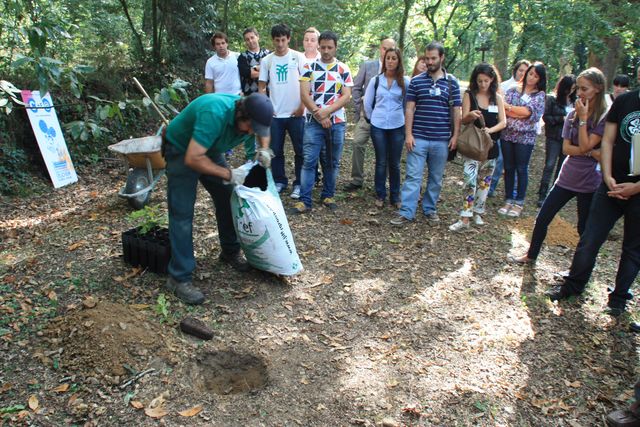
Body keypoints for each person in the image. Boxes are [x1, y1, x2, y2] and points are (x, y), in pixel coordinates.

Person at [163, 93, 274, 305]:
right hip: (182, 149)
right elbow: (193, 158)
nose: (252, 133)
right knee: (182, 213)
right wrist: (230, 174)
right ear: (241, 115)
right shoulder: (214, 113)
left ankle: (230, 252)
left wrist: (263, 148)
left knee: (229, 198)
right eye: (251, 128)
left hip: (210, 149)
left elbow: (262, 131)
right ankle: (179, 278)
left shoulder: (252, 117)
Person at [546, 69, 640, 316]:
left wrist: (636, 187)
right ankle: (573, 286)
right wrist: (608, 177)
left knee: (632, 249)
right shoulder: (625, 101)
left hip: (638, 191)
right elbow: (608, 141)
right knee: (589, 238)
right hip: (610, 184)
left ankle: (618, 300)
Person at [510, 68, 608, 264]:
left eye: (584, 89)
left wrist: (583, 124)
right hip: (567, 177)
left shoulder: (604, 118)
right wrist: (591, 151)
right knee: (543, 217)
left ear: (598, 89)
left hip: (590, 181)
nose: (579, 93)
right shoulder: (572, 114)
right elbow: (568, 149)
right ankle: (531, 255)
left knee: (584, 228)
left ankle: (580, 267)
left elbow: (585, 145)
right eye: (577, 88)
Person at [390, 41, 461, 226]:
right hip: (418, 138)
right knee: (413, 176)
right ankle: (407, 211)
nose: (430, 62)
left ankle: (430, 209)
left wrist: (455, 136)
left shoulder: (452, 82)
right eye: (427, 58)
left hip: (441, 139)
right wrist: (408, 134)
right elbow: (409, 109)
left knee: (436, 178)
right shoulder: (416, 81)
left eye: (433, 58)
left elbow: (456, 111)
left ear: (442, 58)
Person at [290, 31, 353, 214]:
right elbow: (304, 94)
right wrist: (320, 114)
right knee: (309, 161)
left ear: (335, 47)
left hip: (337, 122)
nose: (325, 51)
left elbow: (346, 95)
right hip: (313, 121)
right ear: (318, 46)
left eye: (329, 47)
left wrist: (327, 112)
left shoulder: (343, 68)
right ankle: (305, 200)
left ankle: (328, 195)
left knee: (332, 161)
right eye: (323, 47)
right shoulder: (309, 67)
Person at [449, 63, 506, 232]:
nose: (483, 84)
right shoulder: (469, 95)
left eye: (486, 81)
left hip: (491, 146)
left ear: (492, 80)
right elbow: (463, 118)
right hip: (473, 145)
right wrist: (470, 115)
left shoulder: (497, 98)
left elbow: (503, 122)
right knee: (470, 180)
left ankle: (478, 211)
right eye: (480, 81)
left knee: (485, 182)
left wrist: (490, 130)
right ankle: (465, 216)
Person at [258, 23, 306, 197]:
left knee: (300, 150)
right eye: (276, 40)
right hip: (275, 114)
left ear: (289, 39)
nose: (279, 44)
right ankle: (279, 181)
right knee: (276, 150)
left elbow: (307, 84)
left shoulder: (299, 57)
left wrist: (302, 106)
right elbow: (262, 86)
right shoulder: (267, 60)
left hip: (296, 113)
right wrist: (265, 106)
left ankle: (299, 183)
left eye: (283, 40)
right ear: (272, 40)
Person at [343, 37, 396, 193]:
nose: (387, 52)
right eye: (384, 48)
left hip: (386, 120)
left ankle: (380, 182)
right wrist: (360, 109)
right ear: (380, 49)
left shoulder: (397, 70)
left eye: (390, 49)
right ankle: (357, 179)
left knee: (384, 151)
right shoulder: (368, 66)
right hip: (366, 118)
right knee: (358, 143)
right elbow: (356, 87)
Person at [497, 62, 547, 217]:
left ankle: (519, 201)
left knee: (521, 168)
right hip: (507, 135)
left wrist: (511, 109)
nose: (531, 77)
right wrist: (515, 112)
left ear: (540, 79)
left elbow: (529, 113)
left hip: (525, 138)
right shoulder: (513, 90)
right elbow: (504, 110)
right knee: (509, 167)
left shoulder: (539, 96)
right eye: (530, 73)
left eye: (535, 76)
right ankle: (508, 198)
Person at [362, 47, 410, 208]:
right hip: (378, 125)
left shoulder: (405, 81)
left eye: (393, 58)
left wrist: (403, 119)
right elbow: (367, 103)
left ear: (398, 61)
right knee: (381, 161)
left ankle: (395, 196)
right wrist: (371, 118)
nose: (390, 61)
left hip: (397, 125)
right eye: (388, 58)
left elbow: (407, 105)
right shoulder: (376, 80)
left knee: (394, 163)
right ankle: (380, 194)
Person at [489, 59, 531, 197]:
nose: (523, 74)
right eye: (520, 70)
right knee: (500, 160)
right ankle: (490, 187)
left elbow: (530, 113)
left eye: (526, 71)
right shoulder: (506, 86)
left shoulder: (532, 91)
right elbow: (505, 110)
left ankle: (513, 192)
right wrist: (519, 112)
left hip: (522, 136)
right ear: (515, 70)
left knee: (517, 164)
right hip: (503, 131)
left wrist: (517, 111)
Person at [537, 74, 576, 206]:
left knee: (562, 167)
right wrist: (562, 119)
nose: (570, 91)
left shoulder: (576, 102)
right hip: (553, 137)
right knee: (549, 165)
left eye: (573, 88)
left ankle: (553, 194)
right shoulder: (552, 100)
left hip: (568, 138)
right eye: (569, 88)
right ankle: (542, 193)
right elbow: (546, 117)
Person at [237, 27, 270, 96]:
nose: (250, 41)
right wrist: (265, 70)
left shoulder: (268, 54)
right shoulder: (242, 57)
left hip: (269, 94)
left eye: (252, 37)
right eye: (247, 39)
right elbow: (249, 74)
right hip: (250, 95)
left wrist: (254, 68)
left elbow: (273, 71)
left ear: (257, 37)